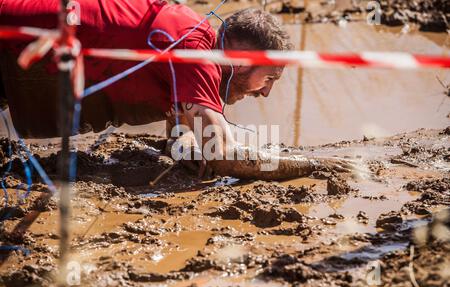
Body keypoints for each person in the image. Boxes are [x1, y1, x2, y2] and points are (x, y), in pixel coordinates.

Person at [0, 0, 354, 180]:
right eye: (270, 79)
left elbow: (180, 139)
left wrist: (195, 142)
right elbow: (223, 155)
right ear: (244, 60)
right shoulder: (197, 52)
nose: (265, 94)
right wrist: (313, 164)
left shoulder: (195, 43)